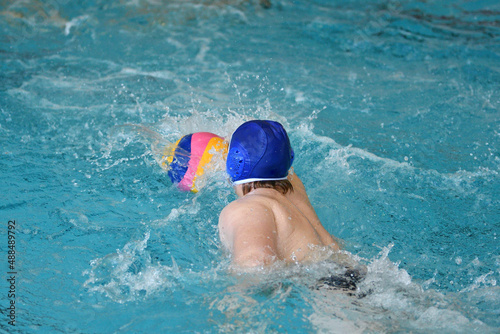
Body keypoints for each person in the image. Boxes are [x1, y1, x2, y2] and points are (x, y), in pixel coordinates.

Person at [218, 120, 342, 269]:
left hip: (321, 285)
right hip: (347, 273)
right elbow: (268, 155)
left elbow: (255, 265)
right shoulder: (293, 187)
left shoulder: (247, 209)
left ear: (233, 162)